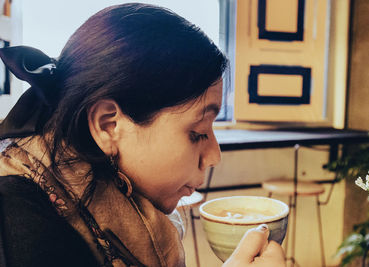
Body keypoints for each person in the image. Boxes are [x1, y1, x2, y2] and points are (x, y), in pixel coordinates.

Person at [0, 3, 285, 267]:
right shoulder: (21, 218)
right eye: (197, 133)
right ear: (108, 125)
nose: (214, 157)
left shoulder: (121, 198)